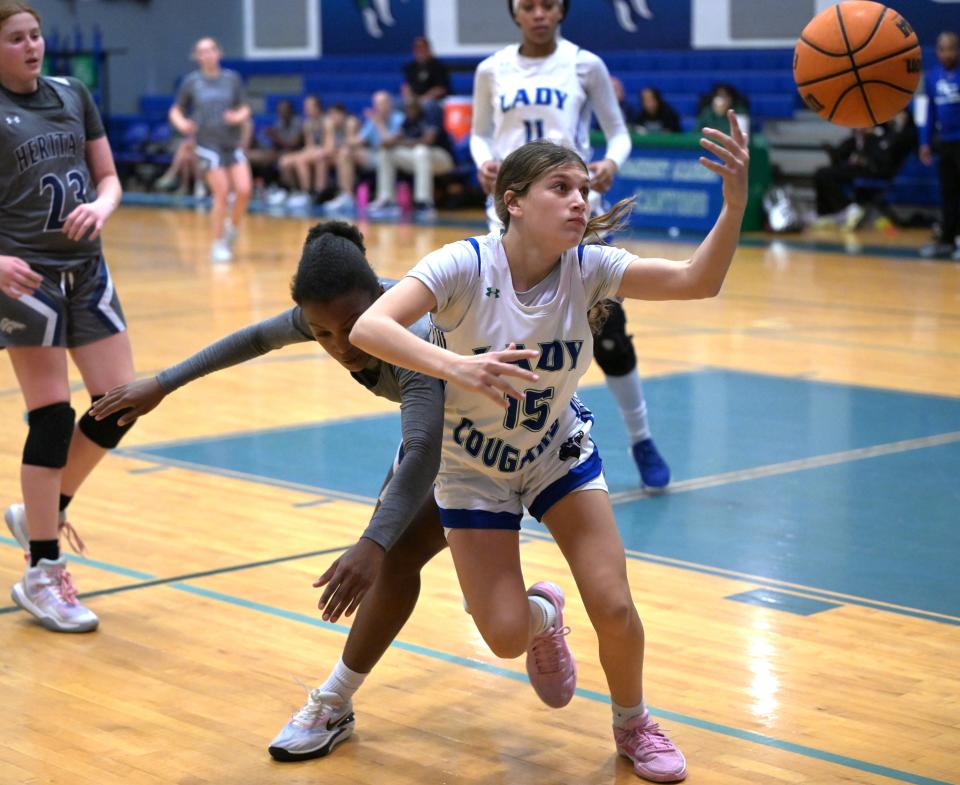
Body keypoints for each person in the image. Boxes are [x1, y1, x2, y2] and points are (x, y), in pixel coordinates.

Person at [351, 127, 750, 782]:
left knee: (614, 604)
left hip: (554, 451)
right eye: (560, 188)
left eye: (584, 191)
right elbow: (371, 327)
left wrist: (732, 205)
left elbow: (696, 280)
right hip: (473, 468)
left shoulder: (591, 269)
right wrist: (459, 365)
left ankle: (633, 722)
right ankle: (545, 616)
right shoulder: (463, 264)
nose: (579, 203)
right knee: (506, 636)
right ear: (513, 200)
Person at [92, 221, 521, 762]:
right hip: (443, 439)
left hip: (502, 445)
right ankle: (335, 703)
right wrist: (162, 383)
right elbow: (252, 339)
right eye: (322, 334)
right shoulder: (325, 317)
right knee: (396, 563)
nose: (340, 345)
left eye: (350, 327)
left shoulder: (414, 331)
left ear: (380, 302)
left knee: (442, 587)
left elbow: (422, 450)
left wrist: (372, 541)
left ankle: (543, 620)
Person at [470, 0, 670, 489]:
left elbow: (618, 134)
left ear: (561, 11)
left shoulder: (584, 64)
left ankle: (641, 437)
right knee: (505, 336)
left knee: (609, 333)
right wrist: (482, 162)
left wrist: (610, 164)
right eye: (529, 5)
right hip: (513, 215)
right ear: (514, 11)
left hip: (573, 216)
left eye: (549, 5)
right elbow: (479, 135)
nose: (539, 13)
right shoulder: (491, 69)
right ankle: (504, 443)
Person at [0, 1, 138, 633]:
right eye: (17, 39)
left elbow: (108, 178)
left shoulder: (72, 93)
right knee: (52, 416)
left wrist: (102, 208)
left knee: (122, 400)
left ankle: (44, 509)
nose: (32, 47)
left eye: (36, 35)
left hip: (87, 268)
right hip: (24, 276)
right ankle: (41, 570)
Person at [169, 37, 253, 263]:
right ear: (197, 57)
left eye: (210, 50)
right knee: (222, 193)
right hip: (207, 144)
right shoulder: (191, 82)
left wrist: (239, 116)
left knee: (244, 190)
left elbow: (245, 107)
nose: (207, 55)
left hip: (231, 142)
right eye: (201, 52)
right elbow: (176, 110)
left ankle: (231, 229)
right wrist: (182, 124)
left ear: (219, 52)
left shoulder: (232, 79)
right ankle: (218, 243)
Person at [813, 110, 917, 229]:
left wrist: (865, 155)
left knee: (825, 174)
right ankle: (826, 213)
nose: (896, 116)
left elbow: (884, 156)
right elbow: (844, 152)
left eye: (900, 113)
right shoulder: (869, 133)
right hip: (861, 168)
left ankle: (847, 209)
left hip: (877, 171)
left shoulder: (899, 135)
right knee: (821, 173)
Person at [368, 97, 455, 219]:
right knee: (386, 153)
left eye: (412, 107)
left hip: (443, 159)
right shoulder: (407, 120)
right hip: (419, 160)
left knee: (421, 150)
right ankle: (387, 200)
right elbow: (391, 141)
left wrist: (401, 143)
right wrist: (382, 129)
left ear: (418, 106)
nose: (409, 110)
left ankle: (424, 203)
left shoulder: (431, 114)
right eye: (407, 108)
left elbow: (428, 140)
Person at [324, 90, 404, 215]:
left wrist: (379, 124)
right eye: (376, 104)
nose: (379, 107)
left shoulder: (399, 118)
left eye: (382, 103)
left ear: (389, 104)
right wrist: (336, 135)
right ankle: (347, 196)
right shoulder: (373, 120)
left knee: (383, 154)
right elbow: (358, 140)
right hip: (374, 155)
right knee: (345, 153)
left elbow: (388, 142)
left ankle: (386, 200)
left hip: (393, 156)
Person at [919, 31, 960, 260]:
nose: (948, 53)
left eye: (952, 48)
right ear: (937, 51)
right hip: (945, 143)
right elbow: (930, 111)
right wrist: (925, 142)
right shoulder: (933, 77)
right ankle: (947, 240)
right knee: (949, 193)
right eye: (943, 49)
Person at [277, 96, 342, 208]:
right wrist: (306, 153)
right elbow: (309, 146)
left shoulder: (327, 122)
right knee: (284, 160)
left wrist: (311, 153)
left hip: (331, 154)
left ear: (317, 107)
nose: (306, 108)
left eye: (309, 106)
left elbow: (329, 147)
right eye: (305, 106)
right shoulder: (308, 123)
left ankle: (308, 193)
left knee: (303, 160)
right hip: (316, 153)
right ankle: (293, 191)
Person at [401, 36, 450, 108]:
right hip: (415, 99)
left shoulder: (438, 66)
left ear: (428, 49)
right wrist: (409, 97)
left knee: (429, 106)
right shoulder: (411, 67)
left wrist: (425, 98)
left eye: (422, 48)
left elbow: (441, 89)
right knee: (399, 104)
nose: (419, 51)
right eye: (417, 48)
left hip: (434, 100)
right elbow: (406, 86)